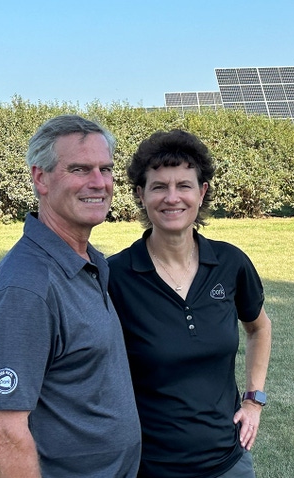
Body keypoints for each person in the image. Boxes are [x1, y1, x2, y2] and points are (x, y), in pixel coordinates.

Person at [0, 115, 141, 477]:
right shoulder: (26, 288)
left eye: (105, 169)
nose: (99, 183)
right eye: (80, 169)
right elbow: (0, 430)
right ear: (40, 178)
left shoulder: (88, 261)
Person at [107, 129, 273, 478]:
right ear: (140, 195)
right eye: (158, 186)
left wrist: (253, 400)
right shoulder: (115, 276)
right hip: (151, 467)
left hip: (230, 461)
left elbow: (259, 327)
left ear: (202, 192)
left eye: (183, 185)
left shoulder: (230, 263)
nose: (172, 198)